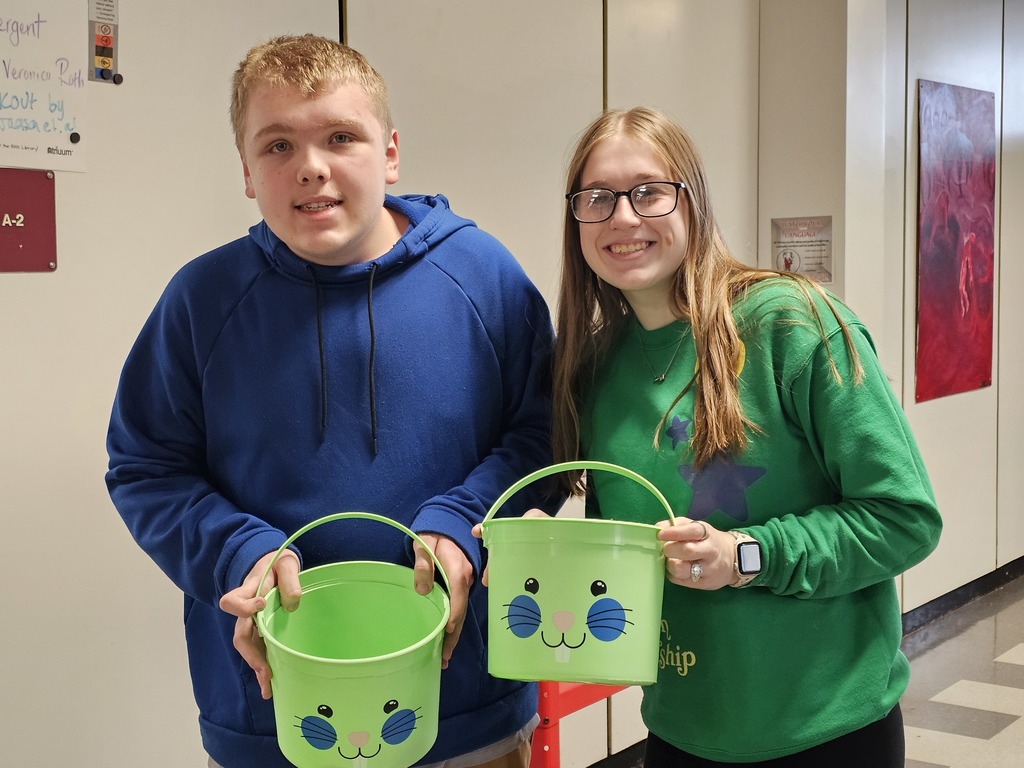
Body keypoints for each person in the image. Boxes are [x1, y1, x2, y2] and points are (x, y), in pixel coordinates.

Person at [105, 34, 554, 768]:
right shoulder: (202, 300)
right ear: (246, 171)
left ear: (390, 152)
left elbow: (543, 438)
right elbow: (145, 469)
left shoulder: (483, 276)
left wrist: (464, 518)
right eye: (278, 145)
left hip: (467, 705)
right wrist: (238, 551)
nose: (310, 166)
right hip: (275, 713)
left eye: (340, 137)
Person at [549, 107, 942, 766]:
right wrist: (544, 551)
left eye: (648, 191)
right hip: (680, 732)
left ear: (693, 200)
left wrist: (745, 555)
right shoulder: (592, 366)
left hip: (829, 730)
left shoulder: (791, 324)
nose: (623, 217)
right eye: (597, 198)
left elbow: (905, 518)